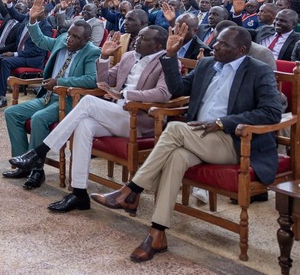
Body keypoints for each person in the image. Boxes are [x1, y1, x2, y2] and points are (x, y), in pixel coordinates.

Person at [90, 26, 281, 262]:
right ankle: (157, 234)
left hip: (234, 140)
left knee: (175, 128)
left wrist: (225, 122)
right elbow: (178, 90)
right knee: (176, 157)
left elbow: (272, 112)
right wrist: (171, 56)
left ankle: (132, 189)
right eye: (217, 41)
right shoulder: (207, 64)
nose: (215, 46)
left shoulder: (258, 70)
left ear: (241, 50)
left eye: (223, 44)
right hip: (198, 135)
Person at [9, 25, 171, 212]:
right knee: (84, 125)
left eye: (143, 38)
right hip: (115, 114)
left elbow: (163, 93)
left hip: (137, 119)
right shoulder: (128, 57)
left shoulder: (165, 62)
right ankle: (79, 193)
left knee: (88, 103)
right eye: (139, 36)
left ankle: (39, 152)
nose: (137, 40)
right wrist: (103, 58)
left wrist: (126, 94)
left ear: (157, 45)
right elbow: (104, 81)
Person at [2, 0, 100, 190]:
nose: (69, 40)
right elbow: (40, 41)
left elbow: (91, 80)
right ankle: (23, 163)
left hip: (69, 100)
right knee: (12, 113)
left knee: (39, 119)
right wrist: (32, 21)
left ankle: (37, 170)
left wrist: (60, 82)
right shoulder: (62, 41)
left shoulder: (91, 52)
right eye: (69, 35)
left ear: (86, 40)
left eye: (75, 38)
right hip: (47, 97)